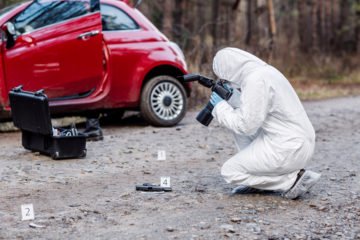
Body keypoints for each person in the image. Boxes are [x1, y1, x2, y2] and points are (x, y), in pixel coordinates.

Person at [210, 48, 321, 199]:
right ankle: (258, 182)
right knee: (237, 126)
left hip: (288, 148)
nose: (224, 80)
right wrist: (231, 98)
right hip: (297, 142)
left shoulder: (255, 80)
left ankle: (290, 181)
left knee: (230, 171)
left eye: (223, 76)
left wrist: (219, 108)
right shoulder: (266, 72)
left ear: (229, 69)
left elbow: (246, 125)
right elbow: (255, 111)